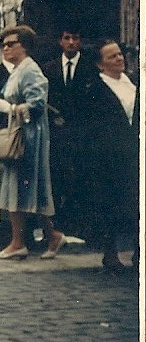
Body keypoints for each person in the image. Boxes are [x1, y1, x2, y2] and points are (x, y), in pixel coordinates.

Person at [0, 25, 65, 260]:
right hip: (20, 133)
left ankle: (21, 241)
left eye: (11, 43)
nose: (5, 47)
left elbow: (37, 103)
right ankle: (35, 238)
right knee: (23, 188)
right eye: (3, 44)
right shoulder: (20, 70)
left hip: (27, 137)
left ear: (25, 46)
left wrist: (10, 108)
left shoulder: (30, 70)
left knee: (26, 186)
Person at [80, 39, 139, 276]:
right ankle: (110, 252)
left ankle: (138, 251)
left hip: (132, 151)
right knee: (111, 204)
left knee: (135, 203)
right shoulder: (95, 88)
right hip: (108, 155)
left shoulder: (132, 82)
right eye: (112, 57)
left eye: (120, 54)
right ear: (101, 65)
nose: (119, 59)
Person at [41, 29, 94, 236]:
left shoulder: (91, 68)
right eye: (67, 38)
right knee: (57, 180)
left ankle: (80, 227)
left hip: (82, 134)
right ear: (60, 42)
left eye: (75, 38)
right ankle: (58, 228)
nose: (71, 42)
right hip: (57, 134)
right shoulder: (49, 68)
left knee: (81, 179)